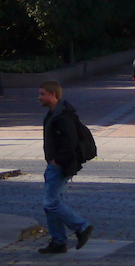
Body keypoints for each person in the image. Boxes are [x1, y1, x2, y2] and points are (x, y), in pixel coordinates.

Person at [38, 80, 94, 253]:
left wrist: (58, 161)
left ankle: (81, 227)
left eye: (42, 94)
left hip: (60, 165)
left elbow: (70, 141)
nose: (39, 97)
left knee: (51, 202)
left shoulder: (62, 115)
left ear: (53, 95)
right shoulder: (55, 113)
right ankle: (59, 241)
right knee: (51, 203)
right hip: (55, 163)